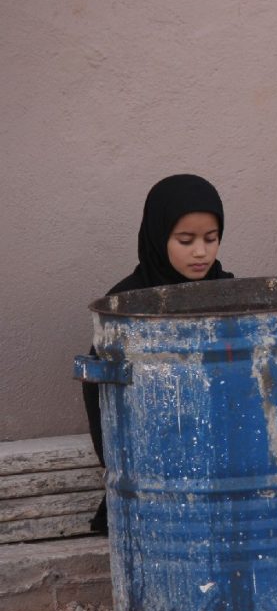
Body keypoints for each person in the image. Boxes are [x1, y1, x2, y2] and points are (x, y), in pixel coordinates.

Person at [81, 174, 233, 534]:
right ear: (157, 235)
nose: (201, 252)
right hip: (153, 477)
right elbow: (99, 396)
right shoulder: (128, 306)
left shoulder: (230, 295)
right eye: (185, 240)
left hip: (224, 470)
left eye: (211, 238)